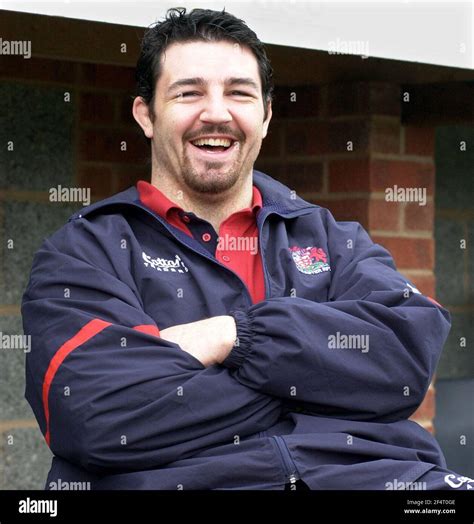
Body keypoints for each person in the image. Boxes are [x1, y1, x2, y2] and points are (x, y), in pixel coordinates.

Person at [22, 7, 472, 491]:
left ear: (266, 115)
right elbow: (97, 416)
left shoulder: (327, 237)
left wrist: (234, 336)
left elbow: (406, 358)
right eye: (188, 92)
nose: (216, 113)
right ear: (146, 115)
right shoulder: (86, 252)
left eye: (239, 93)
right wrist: (319, 381)